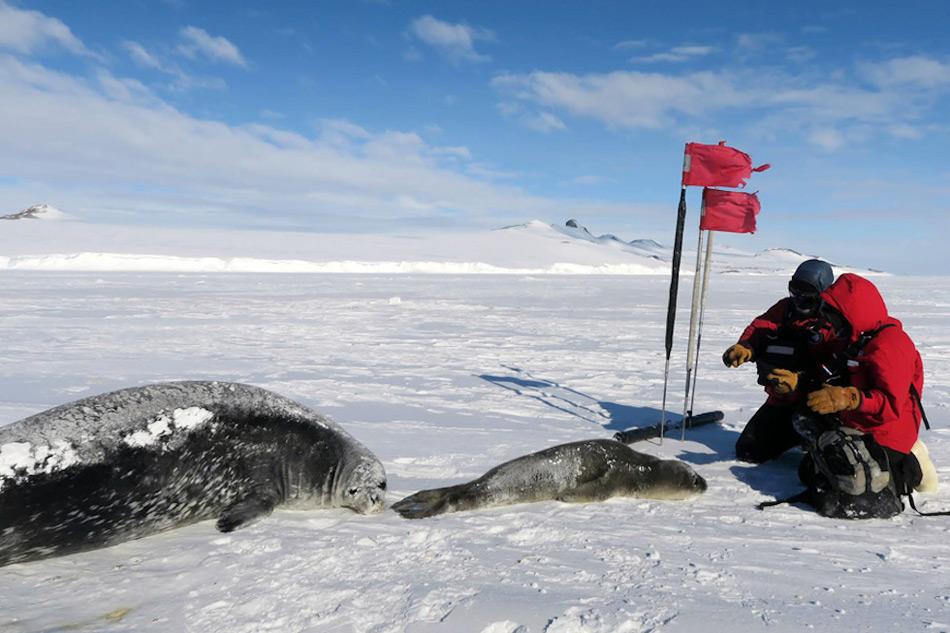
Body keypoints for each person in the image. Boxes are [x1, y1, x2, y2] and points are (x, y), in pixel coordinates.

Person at [790, 273, 937, 518]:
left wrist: (849, 398)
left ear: (851, 313)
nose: (831, 323)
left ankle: (913, 464)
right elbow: (833, 371)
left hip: (887, 433)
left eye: (834, 317)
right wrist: (799, 382)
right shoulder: (861, 338)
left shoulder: (890, 346)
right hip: (861, 424)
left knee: (842, 480)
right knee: (809, 447)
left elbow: (890, 405)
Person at [723, 259, 836, 464]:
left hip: (817, 404)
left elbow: (834, 370)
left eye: (807, 297)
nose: (799, 300)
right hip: (782, 401)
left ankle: (816, 440)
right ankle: (794, 434)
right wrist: (746, 347)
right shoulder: (784, 310)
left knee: (820, 462)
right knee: (749, 451)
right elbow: (761, 327)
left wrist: (799, 382)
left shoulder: (831, 321)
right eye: (795, 293)